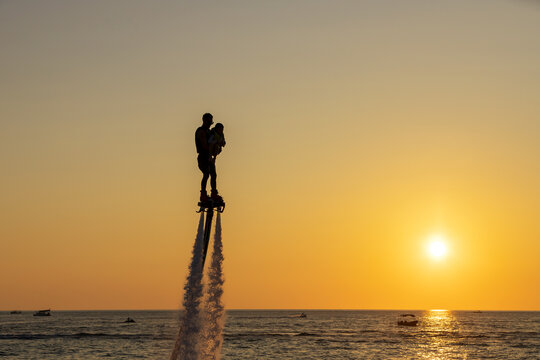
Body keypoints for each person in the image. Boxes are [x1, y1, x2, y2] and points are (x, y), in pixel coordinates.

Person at [195, 113, 223, 202]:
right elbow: (204, 146)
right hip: (203, 157)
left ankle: (214, 193)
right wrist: (214, 147)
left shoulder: (209, 132)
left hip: (209, 156)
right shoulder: (201, 131)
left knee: (213, 175)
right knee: (206, 174)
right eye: (209, 121)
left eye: (210, 122)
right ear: (204, 120)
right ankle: (203, 195)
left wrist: (217, 148)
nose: (210, 123)